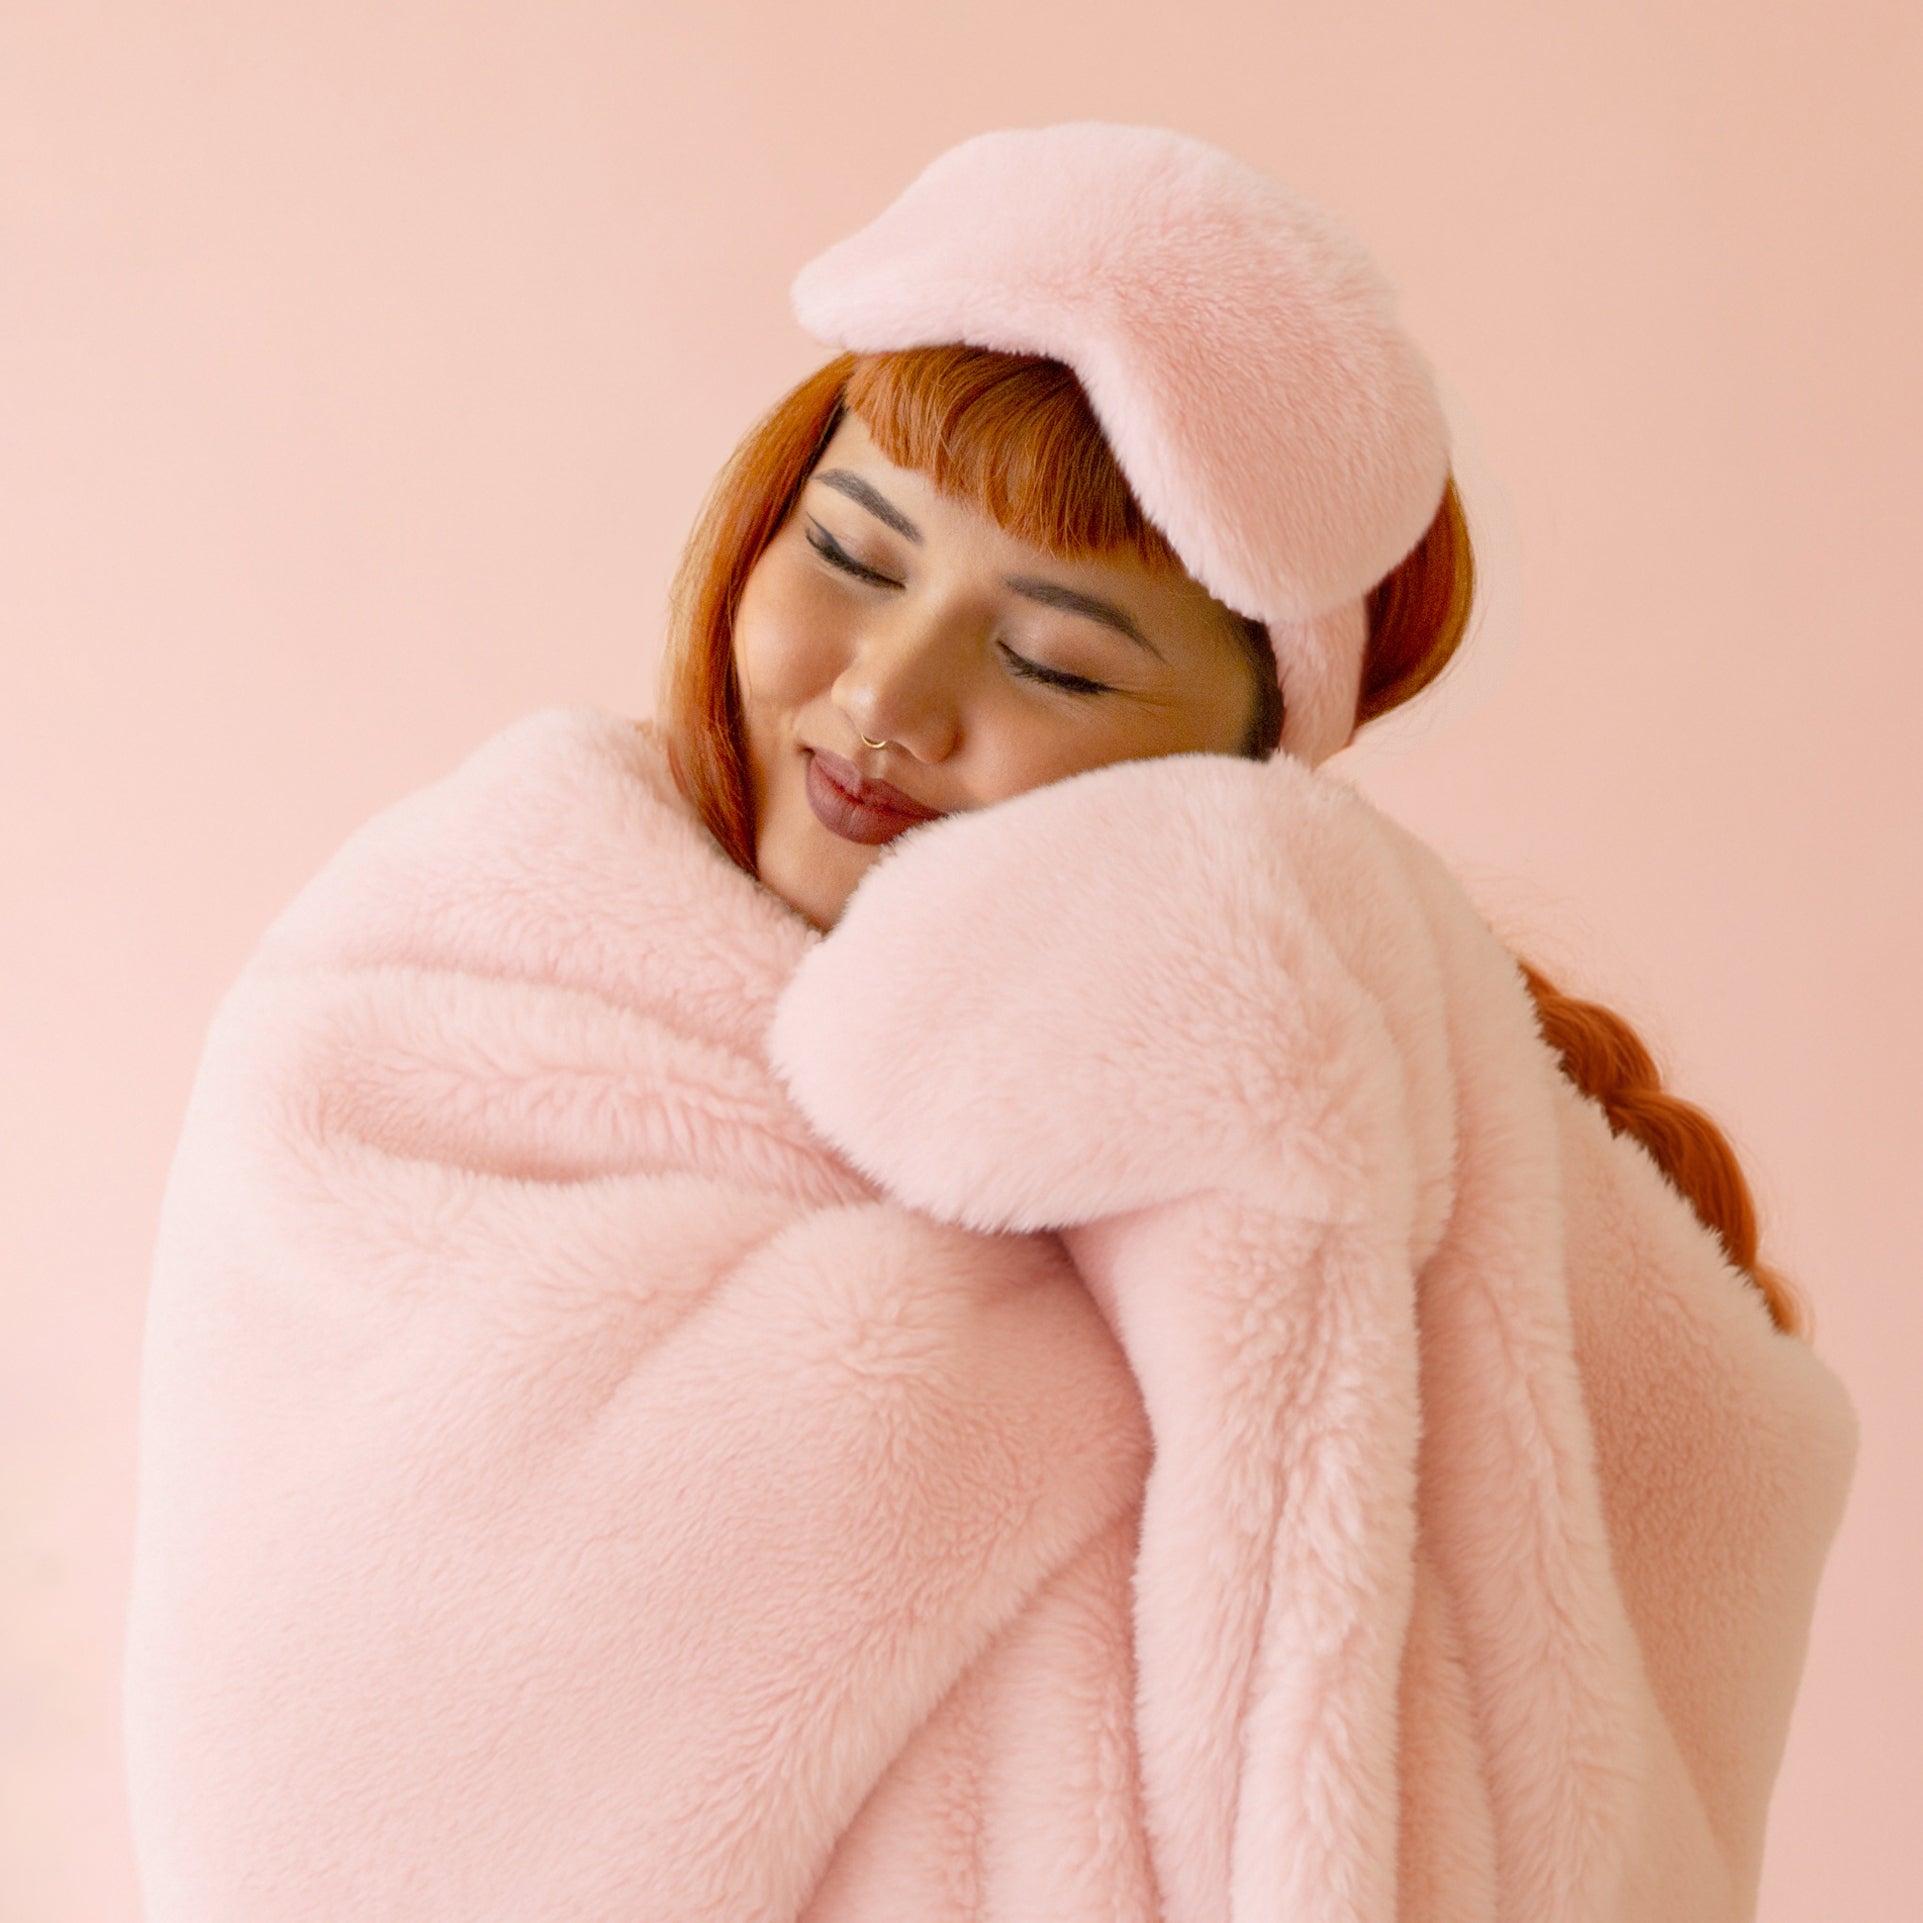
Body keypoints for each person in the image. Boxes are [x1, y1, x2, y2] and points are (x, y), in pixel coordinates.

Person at [123, 125, 1856, 1922]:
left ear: (1246, 775)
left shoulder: (1408, 1180)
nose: (889, 696)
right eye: (855, 555)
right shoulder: (435, 1001)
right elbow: (320, 1740)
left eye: (1058, 662)